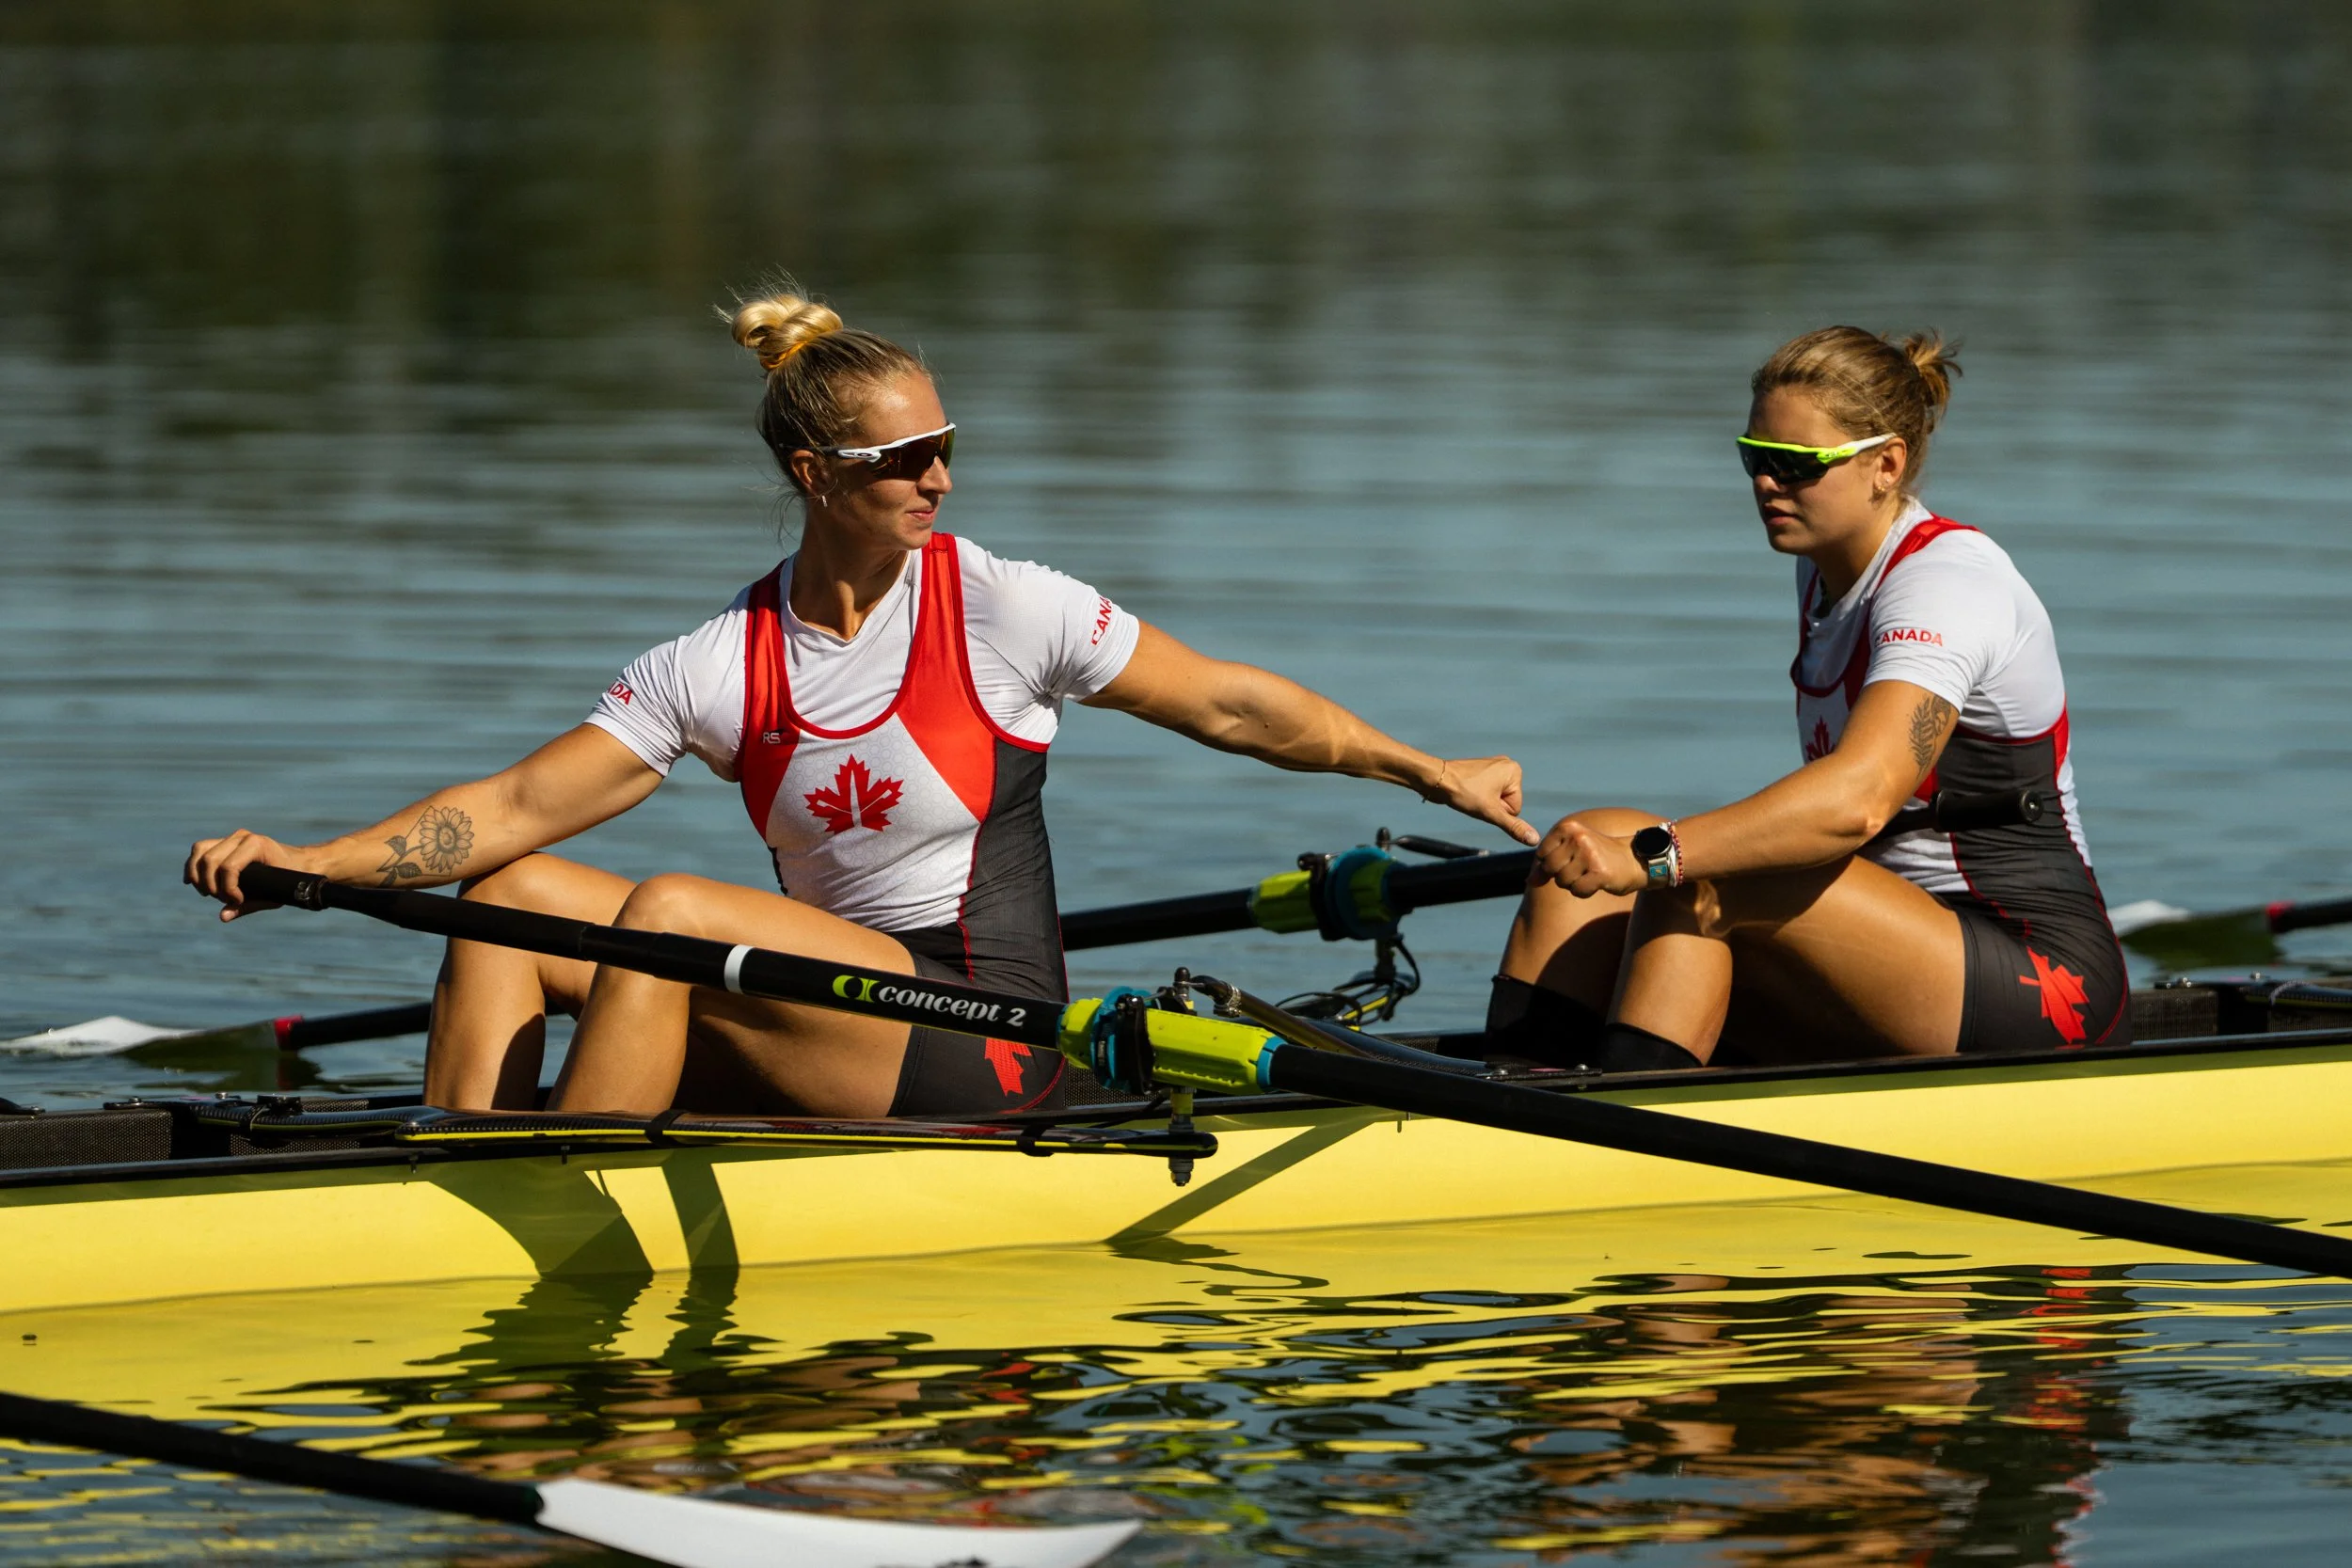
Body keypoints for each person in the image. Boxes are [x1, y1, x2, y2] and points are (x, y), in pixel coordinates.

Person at [187, 288, 1535, 1117]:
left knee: (666, 909)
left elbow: (1234, 707)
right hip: (815, 1005)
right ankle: (465, 1162)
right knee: (514, 890)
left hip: (982, 1037)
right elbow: (512, 805)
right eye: (903, 457)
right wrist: (316, 863)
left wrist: (1423, 771)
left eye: (946, 446)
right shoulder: (723, 655)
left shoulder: (1005, 605)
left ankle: (557, 1180)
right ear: (812, 470)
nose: (937, 478)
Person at [1489, 325, 2128, 1071]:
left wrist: (1661, 854)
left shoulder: (1949, 583)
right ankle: (1513, 1101)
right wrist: (1624, 856)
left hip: (2039, 976)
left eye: (1795, 466)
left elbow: (1859, 799)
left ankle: (1619, 1136)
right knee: (1579, 846)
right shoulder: (1823, 568)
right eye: (1755, 459)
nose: (1767, 485)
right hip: (1889, 952)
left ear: (1886, 465)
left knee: (1689, 879)